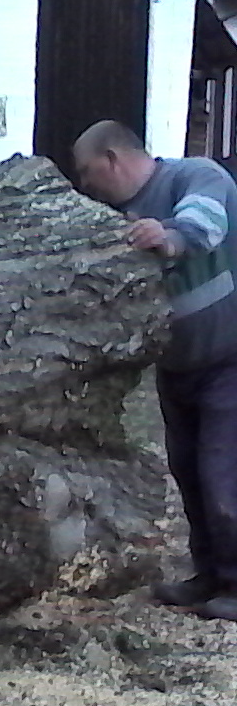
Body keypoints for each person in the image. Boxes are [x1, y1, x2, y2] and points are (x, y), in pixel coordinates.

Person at [73, 119, 237, 620]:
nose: (85, 185)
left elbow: (205, 223)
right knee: (188, 473)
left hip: (229, 359)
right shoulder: (110, 218)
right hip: (176, 368)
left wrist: (170, 236)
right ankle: (208, 574)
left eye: (88, 172)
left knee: (223, 476)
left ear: (113, 158)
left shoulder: (195, 176)